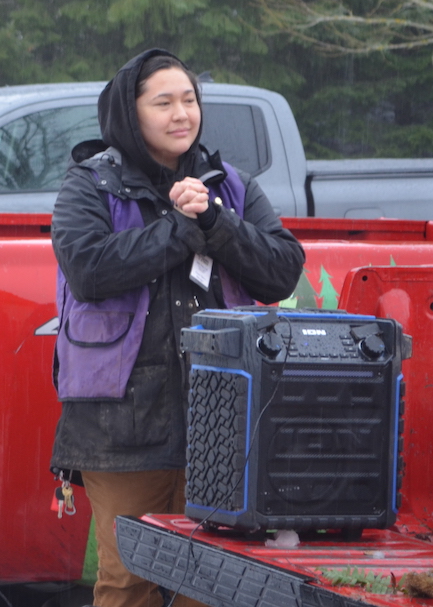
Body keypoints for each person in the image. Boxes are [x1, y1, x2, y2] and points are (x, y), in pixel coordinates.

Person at [50, 48, 306, 607]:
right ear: (128, 112)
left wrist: (216, 220)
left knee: (215, 582)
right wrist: (180, 230)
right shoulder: (89, 186)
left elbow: (284, 268)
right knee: (128, 581)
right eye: (162, 102)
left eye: (188, 100)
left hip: (223, 424)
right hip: (120, 429)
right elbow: (89, 270)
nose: (181, 114)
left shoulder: (230, 185)